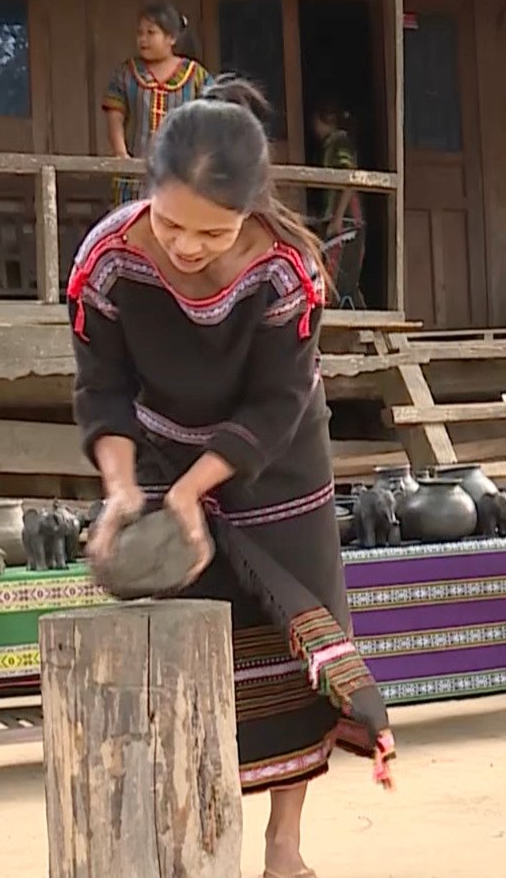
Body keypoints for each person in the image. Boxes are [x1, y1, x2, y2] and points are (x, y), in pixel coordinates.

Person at [69, 74, 395, 878]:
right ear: (147, 192)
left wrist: (195, 489)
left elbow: (275, 401)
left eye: (211, 234)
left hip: (277, 455)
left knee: (292, 640)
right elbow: (102, 392)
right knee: (188, 636)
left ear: (250, 209)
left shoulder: (289, 273)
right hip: (160, 444)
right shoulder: (105, 265)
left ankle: (284, 844)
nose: (185, 247)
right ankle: (189, 834)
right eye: (171, 222)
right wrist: (125, 487)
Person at [101, 0, 211, 207]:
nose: (143, 39)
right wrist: (121, 154)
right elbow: (115, 115)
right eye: (139, 33)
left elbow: (210, 118)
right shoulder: (126, 74)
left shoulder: (195, 75)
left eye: (151, 33)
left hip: (181, 171)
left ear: (171, 37)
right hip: (135, 173)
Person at [307, 98, 366, 307]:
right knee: (344, 280)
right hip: (347, 220)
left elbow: (349, 178)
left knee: (337, 278)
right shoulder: (332, 144)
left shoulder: (338, 142)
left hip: (348, 221)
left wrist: (338, 218)